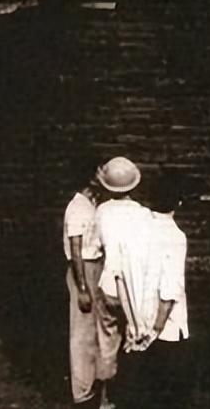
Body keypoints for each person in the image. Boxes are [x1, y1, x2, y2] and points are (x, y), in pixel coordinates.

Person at [111, 176, 191, 409]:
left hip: (135, 327)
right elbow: (169, 291)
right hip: (165, 331)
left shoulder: (130, 232)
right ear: (179, 202)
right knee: (165, 396)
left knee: (136, 396)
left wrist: (133, 323)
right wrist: (154, 330)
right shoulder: (175, 237)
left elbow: (119, 278)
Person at [94, 157, 149, 404]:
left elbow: (95, 247)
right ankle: (131, 395)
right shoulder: (143, 215)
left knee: (107, 341)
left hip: (108, 284)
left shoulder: (101, 211)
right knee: (135, 337)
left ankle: (106, 399)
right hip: (134, 286)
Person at [63, 165, 110, 408]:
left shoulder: (93, 204)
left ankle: (94, 385)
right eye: (100, 171)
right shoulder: (78, 207)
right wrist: (82, 287)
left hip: (96, 267)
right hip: (84, 268)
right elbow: (76, 249)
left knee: (96, 330)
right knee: (82, 332)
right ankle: (81, 392)